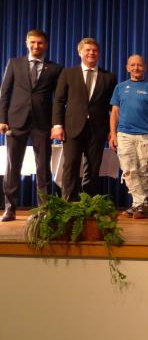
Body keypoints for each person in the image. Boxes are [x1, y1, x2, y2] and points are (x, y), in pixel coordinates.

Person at [0, 30, 62, 221]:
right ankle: (10, 208)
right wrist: (2, 119)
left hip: (42, 123)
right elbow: (4, 92)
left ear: (46, 45)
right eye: (33, 42)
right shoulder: (14, 63)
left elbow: (58, 99)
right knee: (13, 166)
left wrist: (56, 124)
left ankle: (43, 209)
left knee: (43, 167)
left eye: (40, 43)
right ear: (27, 43)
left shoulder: (55, 68)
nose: (36, 46)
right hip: (15, 122)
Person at [51, 38, 117, 201]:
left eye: (94, 50)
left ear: (98, 54)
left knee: (93, 168)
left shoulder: (108, 77)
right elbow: (59, 100)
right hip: (72, 128)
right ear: (80, 52)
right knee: (70, 165)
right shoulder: (68, 73)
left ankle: (89, 203)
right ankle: (68, 203)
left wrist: (113, 130)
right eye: (87, 50)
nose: (91, 53)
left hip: (98, 129)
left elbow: (114, 107)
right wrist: (57, 125)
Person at [109, 55, 148, 218]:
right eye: (132, 65)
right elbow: (114, 113)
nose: (136, 68)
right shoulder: (120, 87)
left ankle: (138, 205)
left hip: (146, 135)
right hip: (124, 134)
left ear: (144, 67)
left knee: (143, 170)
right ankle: (141, 204)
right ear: (127, 67)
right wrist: (113, 134)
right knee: (128, 170)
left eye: (139, 65)